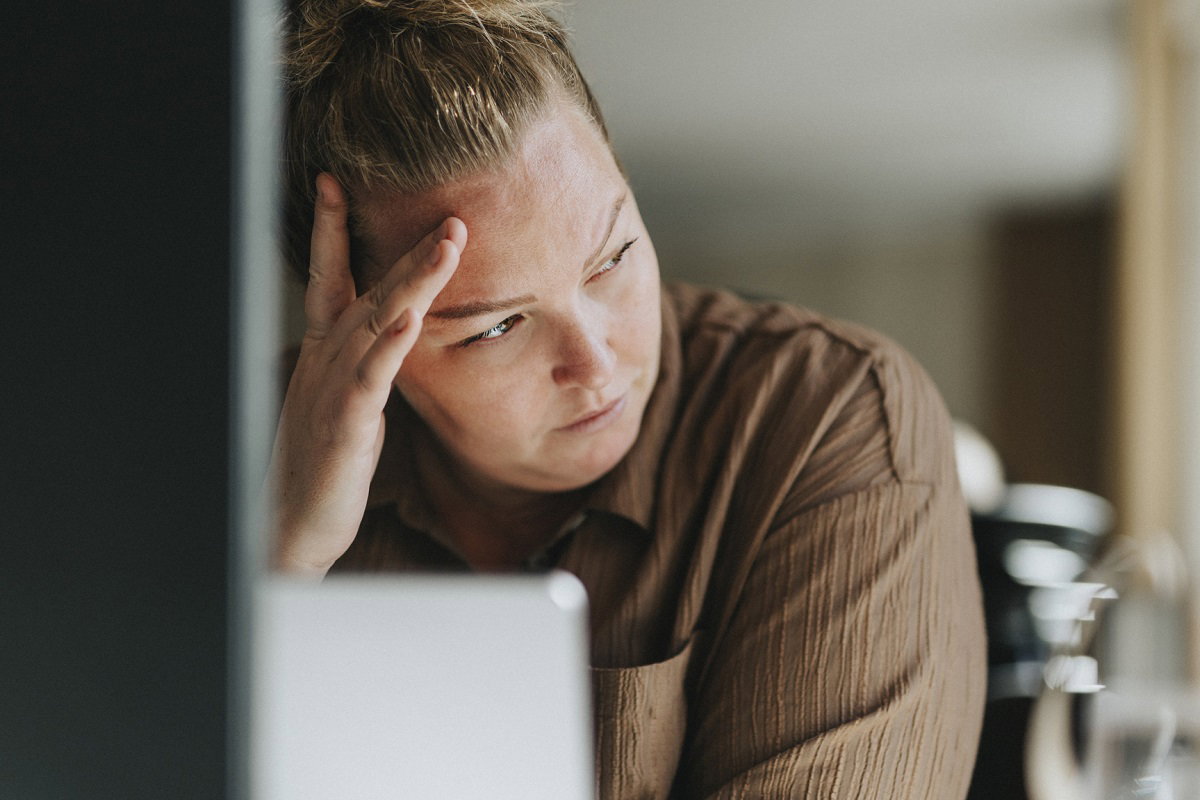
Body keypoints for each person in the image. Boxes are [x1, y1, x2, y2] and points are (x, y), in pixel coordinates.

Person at [273, 0, 987, 796]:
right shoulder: (238, 458)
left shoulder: (832, 417)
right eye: (497, 327)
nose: (595, 359)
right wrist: (281, 567)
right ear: (347, 321)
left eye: (611, 257)